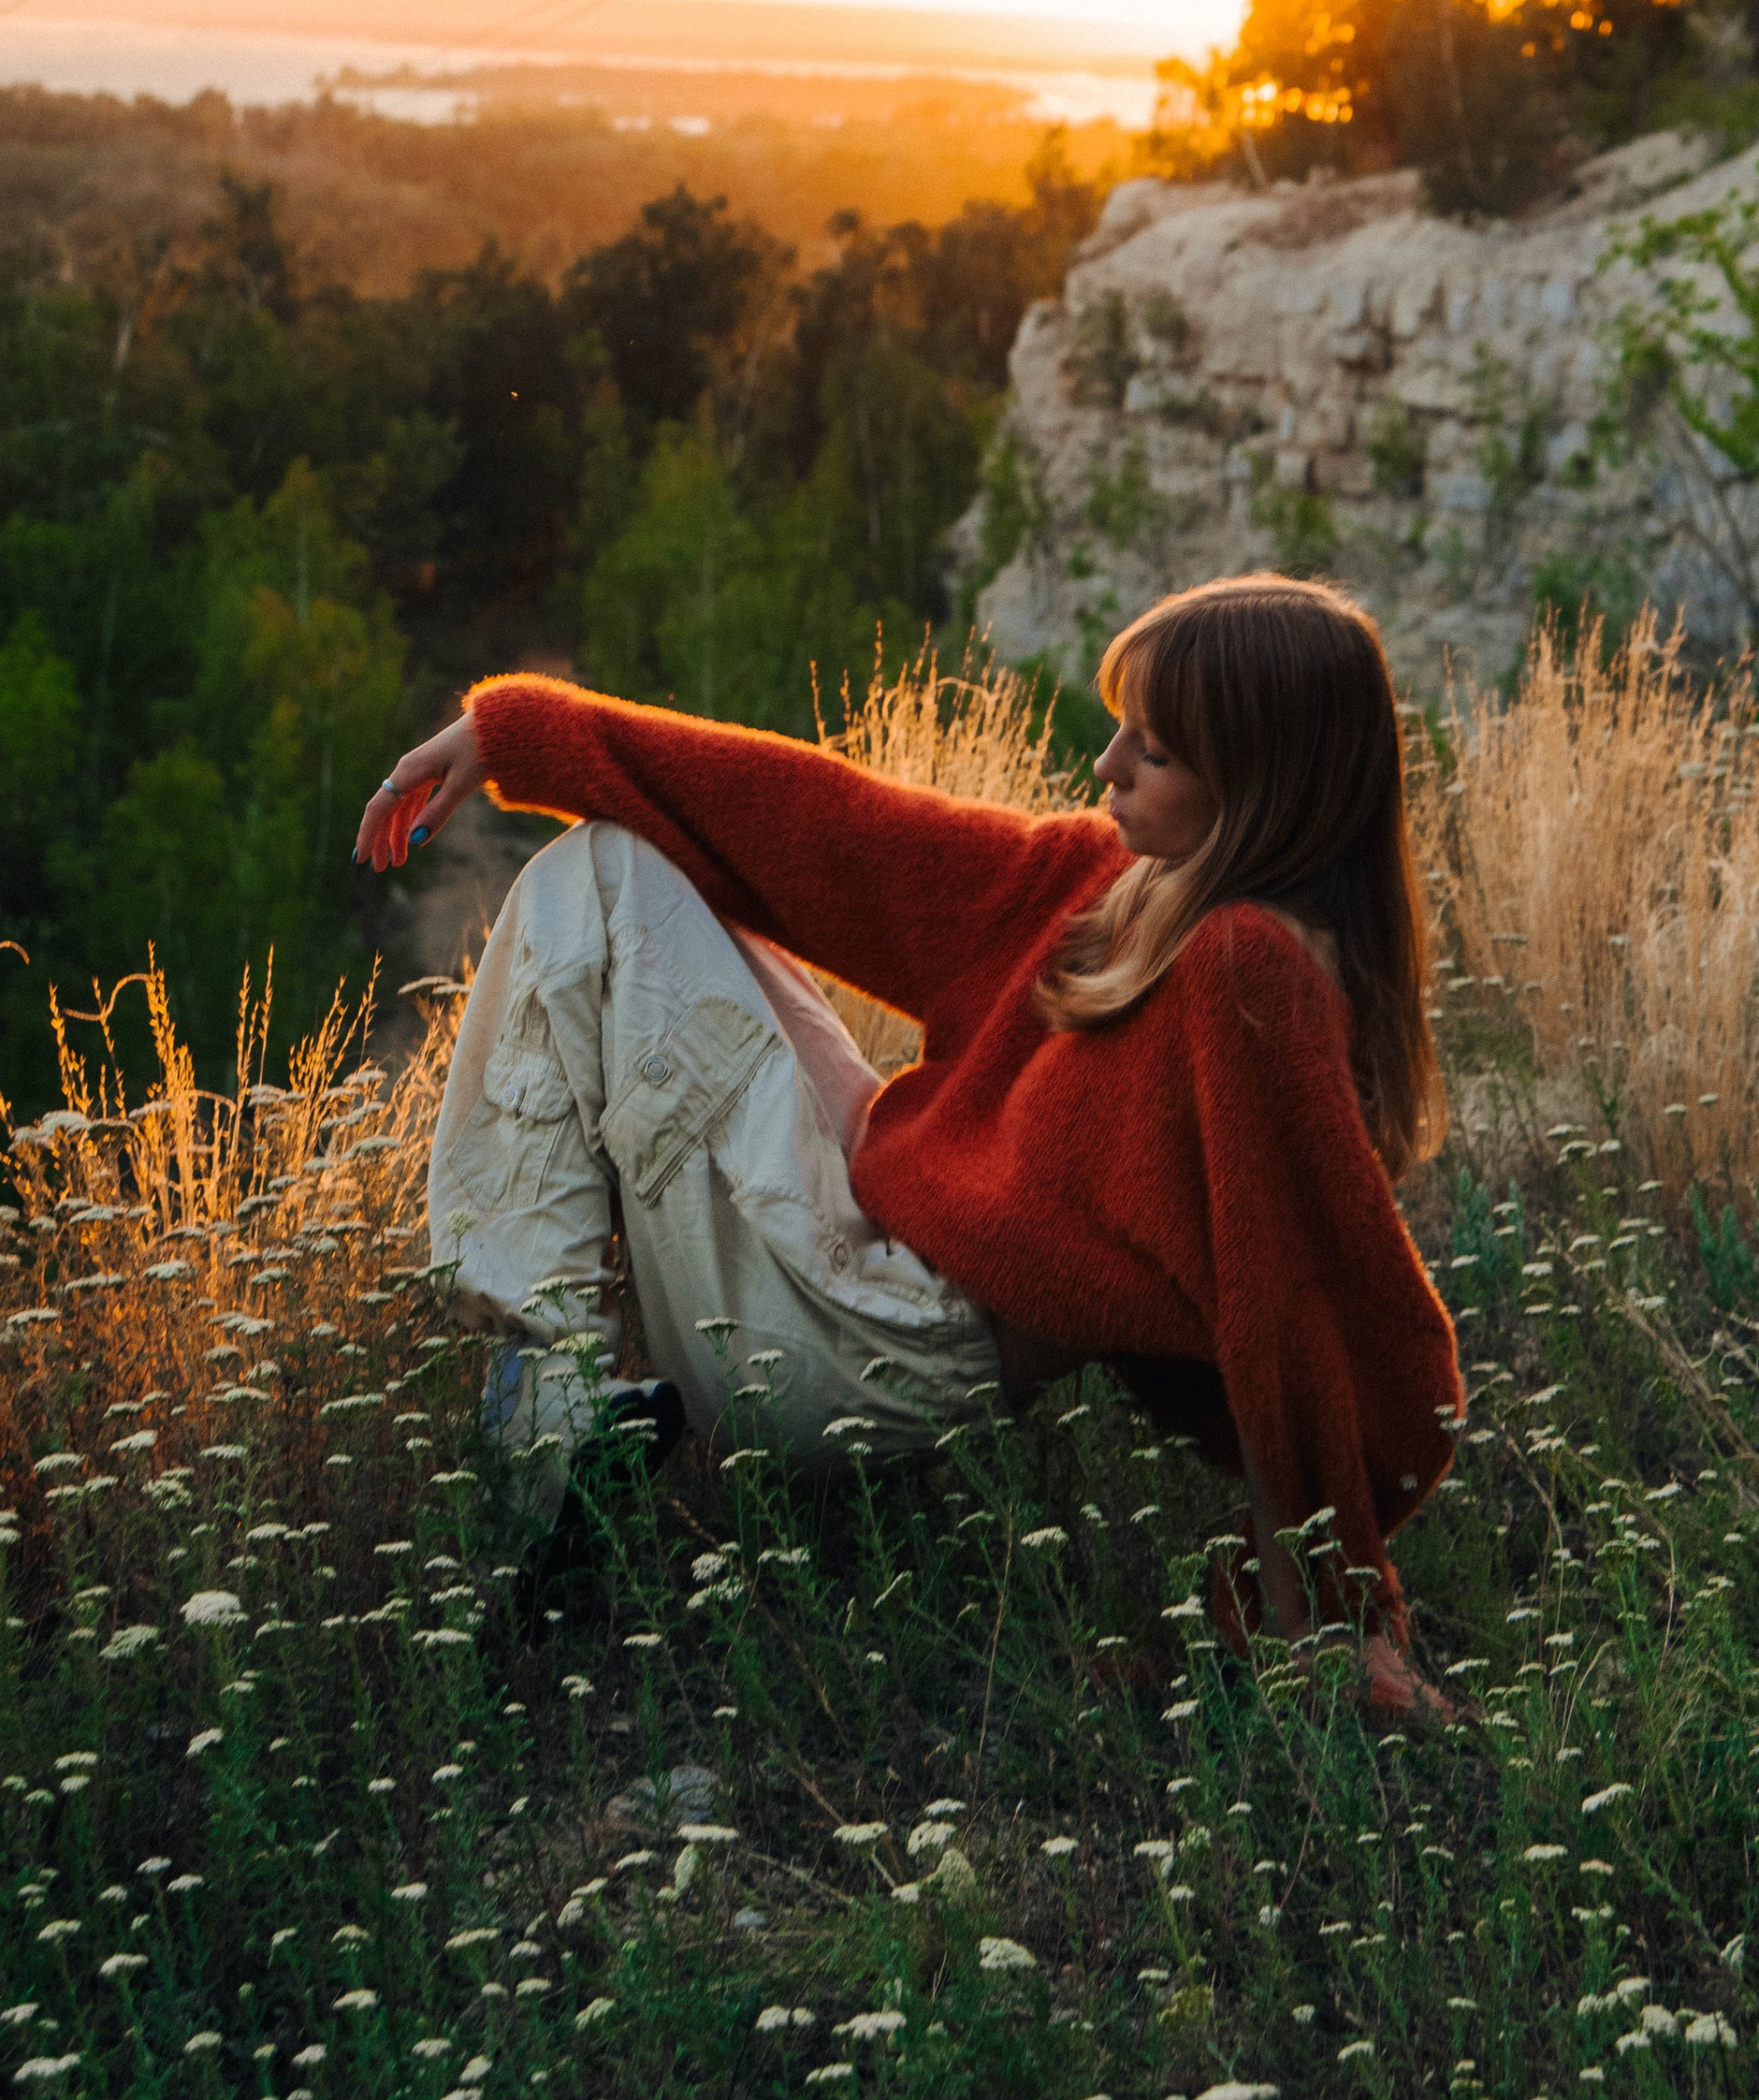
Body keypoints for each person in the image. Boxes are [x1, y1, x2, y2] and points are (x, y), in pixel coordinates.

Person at [355, 575, 1463, 1712]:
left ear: (1264, 791)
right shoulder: (1121, 888)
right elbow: (840, 833)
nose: (1108, 765)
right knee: (625, 864)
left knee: (591, 882)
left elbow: (1286, 1307)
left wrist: (1324, 1617)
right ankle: (577, 1411)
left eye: (1158, 752)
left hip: (886, 1339)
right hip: (876, 1239)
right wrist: (512, 730)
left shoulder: (1247, 972)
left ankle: (551, 1443)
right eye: (1122, 727)